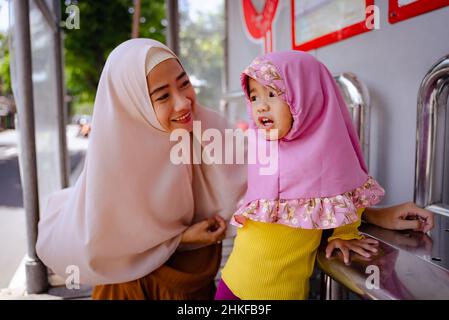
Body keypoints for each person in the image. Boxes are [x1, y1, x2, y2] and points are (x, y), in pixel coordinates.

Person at [36, 39, 247, 300]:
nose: (183, 103)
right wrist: (181, 240)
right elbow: (109, 247)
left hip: (192, 283)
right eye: (163, 96)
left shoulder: (204, 128)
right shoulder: (114, 165)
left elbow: (252, 169)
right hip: (131, 288)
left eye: (184, 83)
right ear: (134, 106)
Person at [216, 50, 388, 300]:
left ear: (308, 98)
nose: (261, 105)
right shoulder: (261, 145)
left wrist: (344, 233)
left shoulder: (330, 155)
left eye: (272, 94)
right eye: (254, 97)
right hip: (233, 284)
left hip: (284, 292)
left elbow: (346, 193)